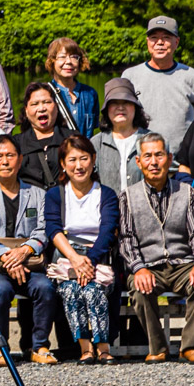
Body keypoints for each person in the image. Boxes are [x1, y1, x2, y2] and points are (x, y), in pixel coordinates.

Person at [121, 133, 194, 363]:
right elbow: (126, 238)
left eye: (159, 155)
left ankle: (190, 346)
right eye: (148, 156)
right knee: (140, 288)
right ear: (138, 162)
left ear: (169, 158)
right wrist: (138, 268)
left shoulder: (186, 191)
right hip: (149, 265)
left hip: (182, 263)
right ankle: (158, 347)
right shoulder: (128, 197)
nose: (154, 162)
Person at [0, 135, 57, 366]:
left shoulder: (38, 194)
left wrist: (23, 253)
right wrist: (7, 257)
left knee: (45, 287)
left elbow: (43, 230)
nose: (5, 161)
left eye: (10, 155)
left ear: (20, 160)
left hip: (29, 263)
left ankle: (39, 345)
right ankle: (0, 349)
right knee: (0, 291)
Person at [46, 135, 121, 363]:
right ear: (63, 164)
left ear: (93, 159)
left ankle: (104, 347)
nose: (79, 166)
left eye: (84, 158)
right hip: (67, 258)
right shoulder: (55, 194)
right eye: (72, 160)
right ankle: (85, 348)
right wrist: (76, 260)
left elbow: (108, 230)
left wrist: (89, 261)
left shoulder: (106, 194)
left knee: (92, 291)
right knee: (71, 291)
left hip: (99, 257)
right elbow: (53, 230)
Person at [120, 15, 194, 154]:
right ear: (147, 42)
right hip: (140, 162)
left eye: (166, 37)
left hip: (182, 166)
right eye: (154, 37)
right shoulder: (129, 76)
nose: (160, 42)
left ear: (177, 42)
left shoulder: (193, 76)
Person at [92, 78, 150, 198]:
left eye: (126, 102)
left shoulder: (151, 141)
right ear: (106, 109)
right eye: (114, 103)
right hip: (108, 212)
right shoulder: (95, 143)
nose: (120, 107)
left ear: (135, 106)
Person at [14, 81, 68, 191]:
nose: (41, 108)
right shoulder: (16, 143)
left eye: (47, 102)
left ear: (56, 107)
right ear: (26, 110)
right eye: (34, 104)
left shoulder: (71, 139)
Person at [45, 37, 97, 136]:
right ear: (52, 61)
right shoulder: (46, 93)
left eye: (74, 57)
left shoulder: (90, 94)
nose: (68, 61)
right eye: (62, 57)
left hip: (84, 150)